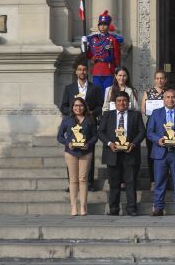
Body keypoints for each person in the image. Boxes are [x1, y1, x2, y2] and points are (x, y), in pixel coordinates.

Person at [98, 91, 146, 216]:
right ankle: (114, 209)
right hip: (112, 153)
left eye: (124, 101)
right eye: (119, 101)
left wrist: (133, 144)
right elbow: (100, 132)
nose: (122, 103)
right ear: (115, 103)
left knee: (131, 183)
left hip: (130, 153)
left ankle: (131, 208)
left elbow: (142, 132)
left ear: (128, 102)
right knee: (114, 183)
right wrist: (109, 143)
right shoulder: (107, 115)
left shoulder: (135, 115)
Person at [147, 89, 175, 216]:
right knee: (159, 180)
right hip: (160, 152)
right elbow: (150, 132)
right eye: (167, 97)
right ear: (163, 99)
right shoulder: (155, 113)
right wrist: (158, 140)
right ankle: (158, 207)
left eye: (173, 97)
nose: (170, 99)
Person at [60, 58, 103, 192]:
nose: (82, 72)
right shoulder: (69, 88)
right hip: (73, 124)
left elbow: (100, 106)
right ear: (75, 71)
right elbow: (63, 106)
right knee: (71, 151)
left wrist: (90, 112)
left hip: (89, 123)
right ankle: (72, 183)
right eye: (79, 69)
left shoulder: (94, 88)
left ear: (87, 71)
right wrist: (74, 111)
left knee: (88, 151)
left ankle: (89, 182)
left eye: (84, 69)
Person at [57, 97, 98, 216]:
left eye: (80, 105)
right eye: (76, 105)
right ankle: (74, 206)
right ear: (72, 107)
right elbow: (59, 136)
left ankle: (83, 206)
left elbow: (95, 136)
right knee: (73, 180)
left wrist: (88, 144)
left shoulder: (90, 119)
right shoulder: (67, 120)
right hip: (71, 153)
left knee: (83, 179)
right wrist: (67, 143)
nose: (78, 108)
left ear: (84, 107)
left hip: (86, 153)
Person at [82, 10, 122, 97]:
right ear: (98, 27)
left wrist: (117, 69)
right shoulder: (93, 39)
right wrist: (84, 45)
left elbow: (117, 56)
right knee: (97, 94)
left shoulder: (113, 39)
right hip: (97, 70)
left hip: (109, 69)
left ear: (108, 26)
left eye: (105, 24)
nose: (102, 27)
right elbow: (88, 56)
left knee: (108, 94)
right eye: (101, 25)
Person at [141, 70, 167, 191]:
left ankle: (164, 179)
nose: (160, 80)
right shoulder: (148, 93)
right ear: (154, 79)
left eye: (162, 78)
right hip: (151, 127)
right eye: (157, 78)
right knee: (152, 154)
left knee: (166, 155)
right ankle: (153, 181)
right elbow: (143, 109)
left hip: (166, 127)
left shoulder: (168, 93)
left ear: (165, 80)